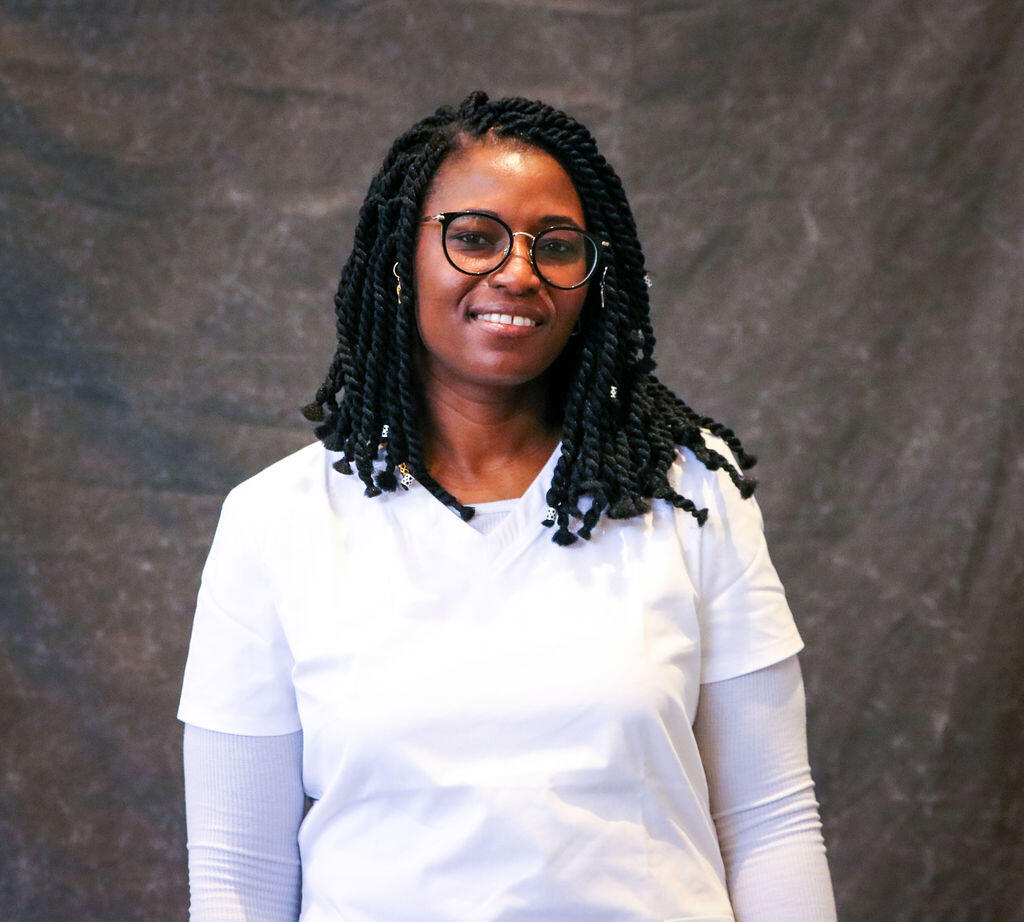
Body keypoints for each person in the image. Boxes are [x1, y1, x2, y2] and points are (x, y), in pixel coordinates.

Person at [178, 91, 838, 922]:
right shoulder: (277, 521)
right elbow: (240, 875)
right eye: (475, 237)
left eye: (555, 246)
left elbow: (770, 823)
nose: (519, 273)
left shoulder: (689, 492)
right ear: (400, 259)